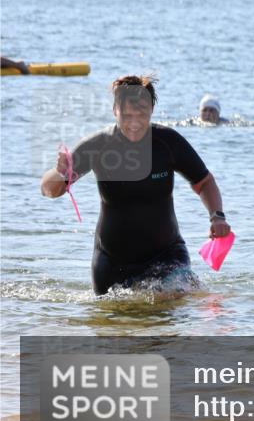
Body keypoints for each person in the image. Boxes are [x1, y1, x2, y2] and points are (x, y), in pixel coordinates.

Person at [40, 75, 231, 294]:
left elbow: (205, 182)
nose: (134, 123)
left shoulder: (168, 143)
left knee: (179, 300)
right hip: (111, 262)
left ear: (152, 110)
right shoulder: (99, 145)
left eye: (142, 114)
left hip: (167, 254)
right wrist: (58, 173)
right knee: (116, 324)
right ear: (115, 111)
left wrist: (217, 216)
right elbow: (49, 190)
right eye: (127, 115)